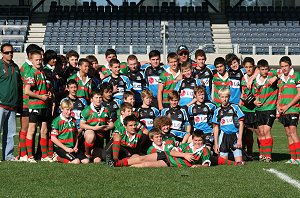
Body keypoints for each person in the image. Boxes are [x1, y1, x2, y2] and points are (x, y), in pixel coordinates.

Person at [24, 51, 53, 163]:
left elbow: (46, 88)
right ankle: (30, 156)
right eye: (36, 60)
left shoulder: (43, 72)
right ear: (31, 60)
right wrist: (40, 97)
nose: (39, 61)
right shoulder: (31, 72)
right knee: (31, 130)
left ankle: (44, 156)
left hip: (44, 105)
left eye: (40, 59)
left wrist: (49, 93)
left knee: (44, 130)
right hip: (35, 105)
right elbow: (27, 91)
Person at [132, 129, 211, 168]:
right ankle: (121, 163)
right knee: (140, 158)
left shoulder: (205, 150)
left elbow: (206, 164)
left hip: (169, 163)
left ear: (203, 140)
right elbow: (172, 152)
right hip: (165, 155)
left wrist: (198, 166)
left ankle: (128, 166)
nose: (197, 142)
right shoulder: (186, 145)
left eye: (200, 140)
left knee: (145, 164)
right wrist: (184, 155)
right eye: (195, 140)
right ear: (192, 139)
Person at [18, 44, 42, 161]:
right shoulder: (27, 67)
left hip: (32, 102)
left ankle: (27, 153)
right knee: (25, 128)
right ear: (30, 56)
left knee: (30, 129)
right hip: (27, 102)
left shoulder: (34, 68)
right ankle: (23, 154)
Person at [253, 59, 278, 162]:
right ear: (258, 70)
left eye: (266, 69)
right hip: (259, 109)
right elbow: (255, 94)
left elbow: (281, 71)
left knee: (267, 131)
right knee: (261, 132)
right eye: (262, 69)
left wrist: (275, 77)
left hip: (270, 108)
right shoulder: (256, 81)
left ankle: (268, 156)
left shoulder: (272, 75)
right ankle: (263, 155)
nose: (265, 71)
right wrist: (255, 101)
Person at [80, 89, 114, 163]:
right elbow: (81, 125)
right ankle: (87, 153)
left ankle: (94, 151)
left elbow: (111, 123)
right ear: (91, 99)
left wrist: (107, 128)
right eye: (96, 97)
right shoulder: (86, 110)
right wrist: (94, 128)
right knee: (90, 135)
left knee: (97, 161)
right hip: (90, 133)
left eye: (100, 97)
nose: (98, 100)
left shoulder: (106, 110)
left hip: (100, 137)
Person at [213, 88, 245, 165]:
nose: (224, 99)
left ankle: (240, 153)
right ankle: (230, 154)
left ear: (229, 97)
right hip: (223, 136)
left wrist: (240, 139)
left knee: (239, 162)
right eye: (222, 97)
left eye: (226, 97)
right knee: (223, 163)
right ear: (219, 97)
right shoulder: (217, 111)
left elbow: (241, 123)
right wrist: (216, 144)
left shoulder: (235, 107)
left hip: (235, 135)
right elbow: (216, 128)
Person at [277, 56, 300, 164]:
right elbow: (280, 95)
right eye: (282, 66)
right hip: (284, 110)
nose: (284, 68)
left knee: (293, 132)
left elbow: (299, 94)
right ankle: (293, 158)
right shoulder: (281, 79)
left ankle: (299, 158)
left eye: (286, 66)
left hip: (293, 109)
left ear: (290, 66)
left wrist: (288, 105)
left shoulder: (296, 76)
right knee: (288, 133)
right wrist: (279, 106)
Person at [51, 99, 89, 164]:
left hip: (72, 147)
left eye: (70, 110)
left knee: (86, 161)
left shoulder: (73, 120)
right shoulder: (56, 121)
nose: (69, 112)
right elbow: (53, 138)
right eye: (67, 109)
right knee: (76, 161)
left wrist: (76, 147)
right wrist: (66, 148)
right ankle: (57, 157)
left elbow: (76, 135)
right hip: (61, 148)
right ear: (61, 109)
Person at [0, 43, 20, 161]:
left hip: (12, 105)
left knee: (10, 134)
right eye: (7, 52)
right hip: (0, 104)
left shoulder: (16, 67)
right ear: (2, 53)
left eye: (11, 52)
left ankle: (8, 156)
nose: (10, 54)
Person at [239, 57, 257, 161]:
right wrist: (241, 104)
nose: (248, 69)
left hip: (257, 109)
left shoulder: (258, 76)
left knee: (259, 132)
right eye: (246, 67)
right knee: (248, 133)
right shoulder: (243, 78)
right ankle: (249, 153)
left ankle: (263, 154)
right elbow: (243, 93)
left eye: (250, 67)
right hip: (246, 109)